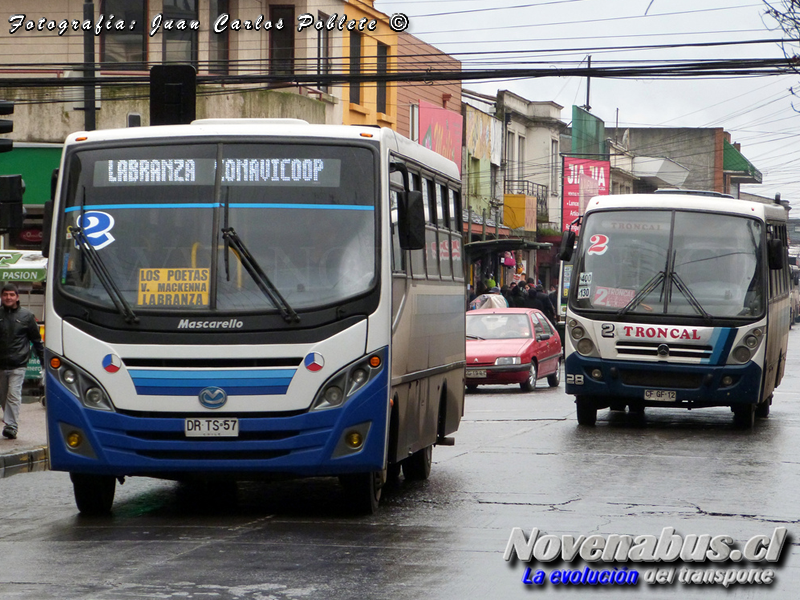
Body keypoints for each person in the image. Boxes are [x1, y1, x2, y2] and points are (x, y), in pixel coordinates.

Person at [0, 283, 44, 440]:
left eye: (11, 294)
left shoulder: (27, 316)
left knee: (13, 394)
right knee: (4, 396)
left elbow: (37, 341)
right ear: (1, 296)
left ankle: (11, 425)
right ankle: (9, 422)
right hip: (1, 364)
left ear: (17, 297)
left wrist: (43, 361)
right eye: (5, 294)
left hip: (18, 364)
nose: (8, 297)